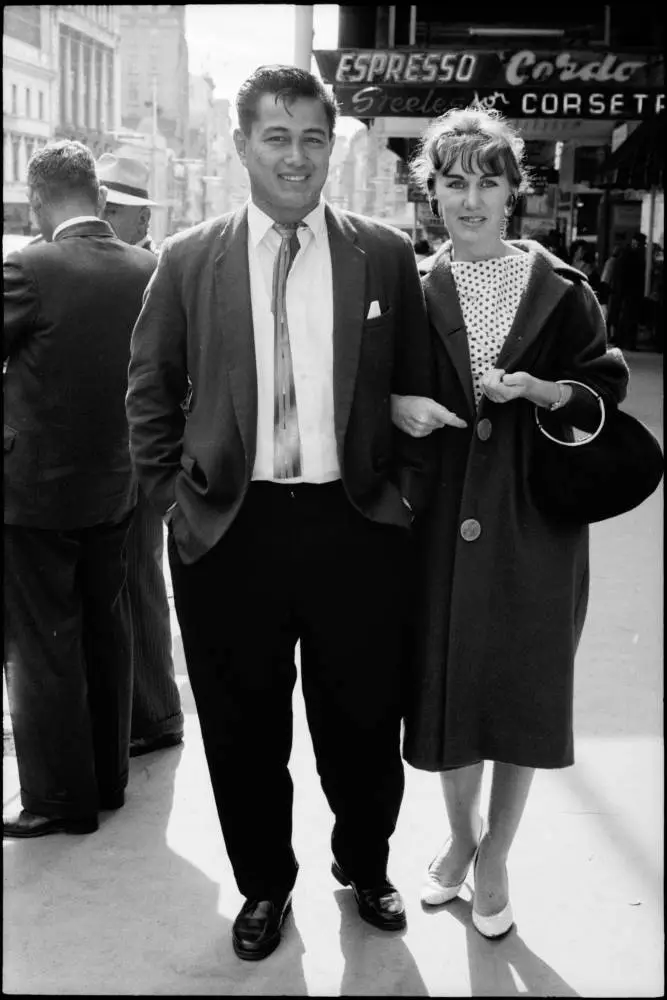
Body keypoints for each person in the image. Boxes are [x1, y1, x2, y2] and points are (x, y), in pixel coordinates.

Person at [125, 65, 434, 961]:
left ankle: (365, 864)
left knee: (363, 719)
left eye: (310, 138)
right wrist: (173, 507)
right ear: (241, 147)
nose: (294, 157)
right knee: (241, 727)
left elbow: (415, 380)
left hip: (356, 526)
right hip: (230, 531)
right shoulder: (188, 258)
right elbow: (148, 390)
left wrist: (402, 497)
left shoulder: (380, 252)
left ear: (329, 145)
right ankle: (264, 885)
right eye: (275, 136)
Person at [390, 106, 628, 939]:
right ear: (430, 193)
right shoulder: (409, 285)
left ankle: (495, 859)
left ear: (512, 192)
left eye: (487, 180)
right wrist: (398, 404)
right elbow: (372, 387)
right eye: (452, 180)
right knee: (444, 691)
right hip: (438, 521)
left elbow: (603, 383)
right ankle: (460, 843)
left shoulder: (563, 290)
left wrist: (544, 392)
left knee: (522, 692)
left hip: (535, 524)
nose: (470, 196)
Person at [3, 140, 157, 838]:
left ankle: (58, 800)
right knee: (106, 626)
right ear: (97, 196)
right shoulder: (146, 269)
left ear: (38, 200)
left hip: (35, 493)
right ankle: (108, 779)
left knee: (43, 644)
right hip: (116, 484)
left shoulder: (30, 267)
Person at [97, 152, 184, 758]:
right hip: (143, 454)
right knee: (140, 581)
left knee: (134, 582)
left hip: (132, 455)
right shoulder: (150, 265)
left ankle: (150, 715)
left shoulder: (147, 268)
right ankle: (153, 712)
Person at [611, 231, 647, 351]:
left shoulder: (630, 254)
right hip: (629, 292)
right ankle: (626, 342)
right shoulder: (630, 255)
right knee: (628, 318)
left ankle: (623, 342)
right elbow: (624, 275)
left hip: (629, 292)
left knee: (627, 317)